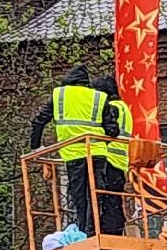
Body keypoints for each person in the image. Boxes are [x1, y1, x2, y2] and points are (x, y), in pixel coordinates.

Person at [29, 66, 132, 236]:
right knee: (96, 194)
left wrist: (37, 148)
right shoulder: (99, 97)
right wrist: (101, 139)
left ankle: (84, 231)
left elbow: (38, 121)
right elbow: (112, 130)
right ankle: (92, 231)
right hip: (98, 153)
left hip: (73, 154)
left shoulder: (60, 95)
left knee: (79, 196)